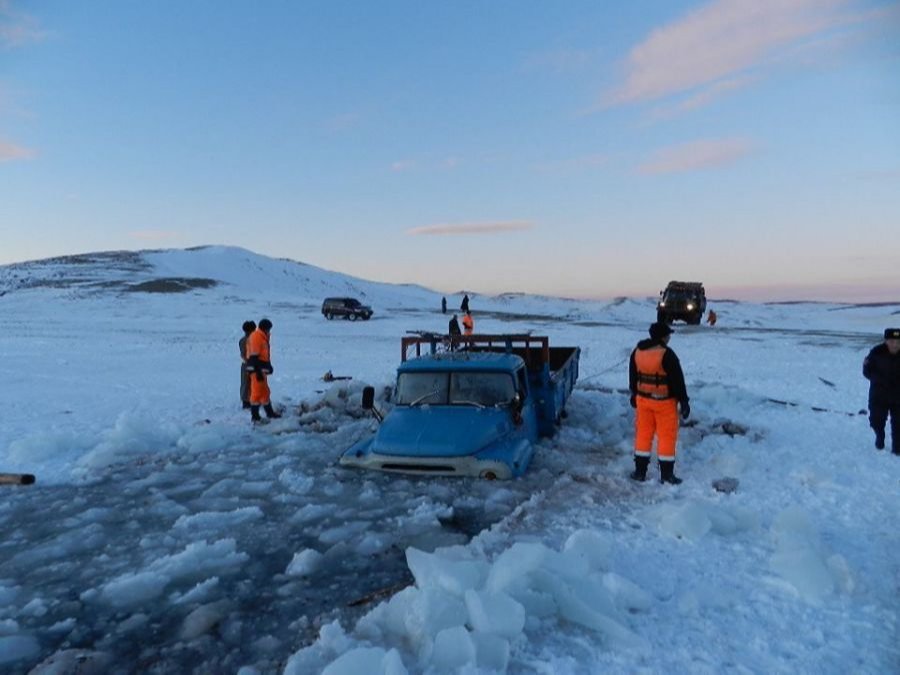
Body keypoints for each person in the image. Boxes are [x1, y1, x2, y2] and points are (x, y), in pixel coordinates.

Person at [628, 322, 690, 484]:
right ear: (663, 337)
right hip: (664, 403)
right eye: (668, 334)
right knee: (667, 437)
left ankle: (640, 472)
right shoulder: (667, 354)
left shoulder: (638, 351)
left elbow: (633, 376)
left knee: (643, 435)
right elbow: (678, 380)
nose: (669, 337)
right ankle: (667, 475)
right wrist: (684, 401)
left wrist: (634, 394)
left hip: (643, 401)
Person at [863, 328, 900, 454]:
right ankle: (880, 435)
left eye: (898, 342)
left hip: (898, 395)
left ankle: (897, 448)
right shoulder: (876, 352)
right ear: (886, 341)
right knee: (876, 420)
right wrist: (879, 380)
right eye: (892, 341)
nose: (895, 344)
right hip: (879, 394)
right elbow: (867, 371)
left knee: (898, 423)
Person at [246, 318, 282, 423]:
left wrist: (268, 366)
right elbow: (254, 357)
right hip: (257, 370)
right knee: (256, 392)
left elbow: (263, 354)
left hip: (261, 369)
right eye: (269, 329)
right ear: (265, 328)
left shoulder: (262, 337)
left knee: (265, 392)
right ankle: (255, 416)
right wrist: (257, 372)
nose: (269, 331)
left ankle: (269, 412)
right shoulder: (257, 337)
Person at [239, 320, 256, 409]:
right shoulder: (249, 340)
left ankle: (247, 400)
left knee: (246, 383)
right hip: (249, 364)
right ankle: (246, 401)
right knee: (247, 384)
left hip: (247, 364)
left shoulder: (242, 340)